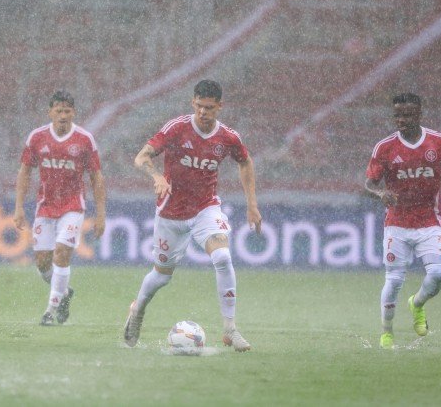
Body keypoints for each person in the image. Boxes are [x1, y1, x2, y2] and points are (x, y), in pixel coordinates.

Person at [123, 80, 261, 352]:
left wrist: (252, 204)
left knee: (222, 257)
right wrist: (157, 175)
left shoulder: (228, 138)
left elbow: (245, 161)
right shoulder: (177, 129)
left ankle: (230, 329)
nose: (203, 113)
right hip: (171, 213)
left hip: (205, 208)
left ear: (220, 107)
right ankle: (137, 310)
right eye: (199, 106)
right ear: (192, 103)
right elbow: (141, 157)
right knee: (161, 276)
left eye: (209, 108)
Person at [365, 93, 441, 350]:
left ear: (419, 114)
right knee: (394, 279)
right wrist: (380, 193)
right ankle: (387, 334)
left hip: (430, 220)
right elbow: (369, 183)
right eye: (397, 115)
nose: (401, 120)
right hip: (397, 223)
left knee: (439, 274)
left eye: (407, 114)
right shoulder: (384, 148)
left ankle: (417, 303)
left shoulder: (439, 142)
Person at [14, 91, 106, 326]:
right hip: (45, 207)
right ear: (50, 112)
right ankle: (64, 294)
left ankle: (50, 310)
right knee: (43, 263)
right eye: (58, 110)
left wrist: (101, 214)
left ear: (73, 112)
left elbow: (96, 177)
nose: (63, 115)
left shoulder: (84, 139)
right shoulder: (37, 138)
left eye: (67, 111)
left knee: (62, 253)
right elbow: (25, 172)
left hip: (73, 207)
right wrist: (18, 207)